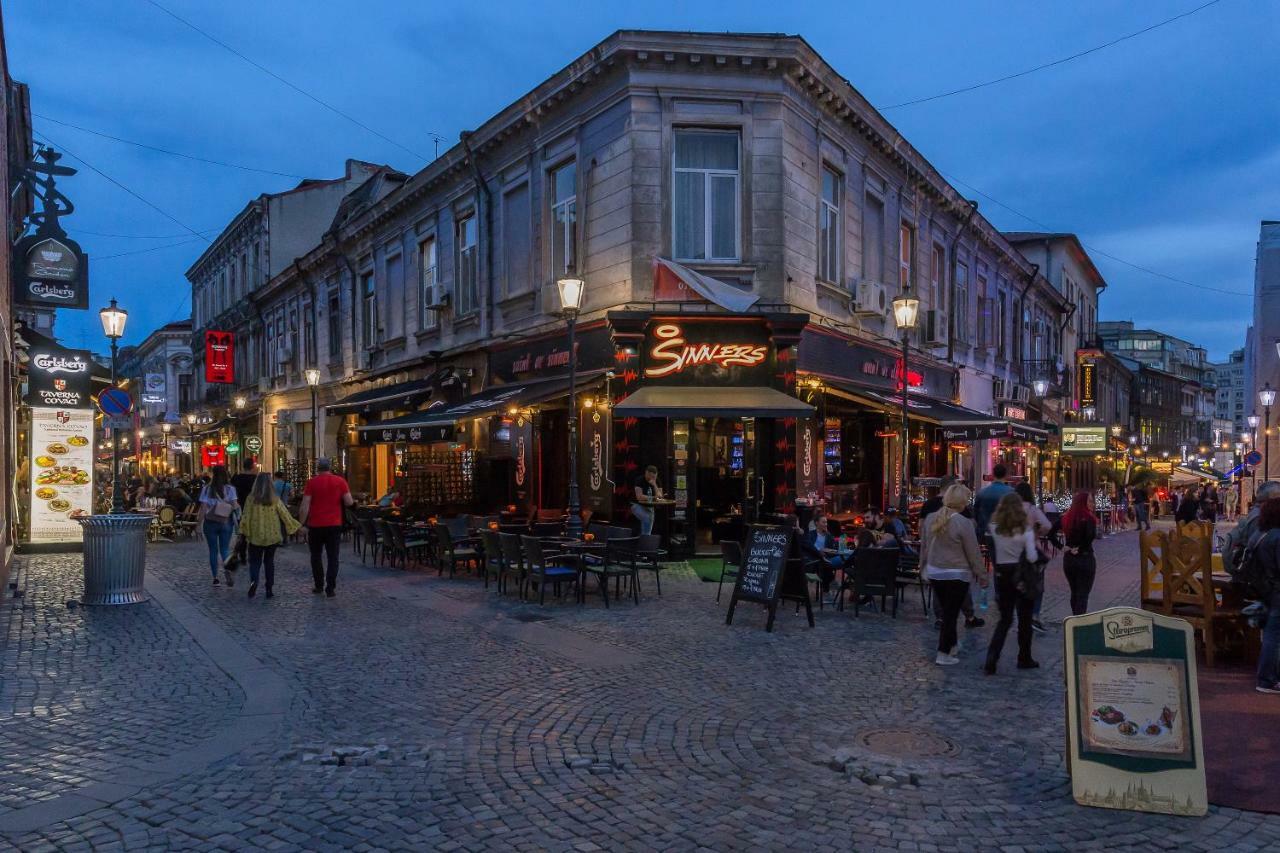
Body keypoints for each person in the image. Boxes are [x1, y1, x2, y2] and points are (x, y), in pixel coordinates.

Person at [920, 483, 987, 666]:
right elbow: (973, 552)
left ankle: (952, 644)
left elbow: (924, 546)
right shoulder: (964, 523)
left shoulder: (931, 518)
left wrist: (922, 566)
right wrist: (982, 574)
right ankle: (943, 652)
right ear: (962, 502)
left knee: (948, 611)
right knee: (951, 614)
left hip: (935, 571)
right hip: (957, 573)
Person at [985, 492, 1041, 673]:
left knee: (1005, 619)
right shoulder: (1025, 530)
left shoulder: (994, 527)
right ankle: (1024, 657)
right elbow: (1032, 557)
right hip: (1021, 576)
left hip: (1002, 574)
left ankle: (992, 656)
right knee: (1024, 619)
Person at [238, 471, 301, 599]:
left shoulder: (251, 498)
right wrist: (295, 527)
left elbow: (245, 516)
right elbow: (285, 515)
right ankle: (269, 588)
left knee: (255, 562)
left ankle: (254, 582)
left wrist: (243, 532)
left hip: (256, 536)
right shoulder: (274, 498)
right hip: (272, 535)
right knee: (269, 562)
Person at [300, 458, 354, 597]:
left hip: (315, 525)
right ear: (330, 468)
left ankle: (318, 585)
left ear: (318, 468)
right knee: (333, 557)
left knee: (316, 556)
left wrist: (302, 524)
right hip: (334, 524)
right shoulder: (340, 481)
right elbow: (348, 502)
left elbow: (305, 505)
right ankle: (330, 587)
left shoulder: (312, 482)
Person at [1248, 497, 1280, 694]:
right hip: (1277, 590)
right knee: (1274, 634)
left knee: (1272, 632)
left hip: (1265, 589)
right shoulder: (1277, 537)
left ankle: (1268, 677)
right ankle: (1267, 679)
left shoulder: (1260, 534)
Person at [1015, 482, 1052, 634]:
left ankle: (1021, 615)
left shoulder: (1012, 509)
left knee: (1019, 582)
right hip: (1031, 549)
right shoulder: (1032, 509)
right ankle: (1034, 614)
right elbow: (1047, 525)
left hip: (1015, 550)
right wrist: (1038, 532)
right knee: (1037, 582)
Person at [196, 465, 238, 586]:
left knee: (213, 550)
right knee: (225, 549)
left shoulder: (207, 489)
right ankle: (227, 569)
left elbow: (203, 508)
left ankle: (215, 578)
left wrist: (199, 524)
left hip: (210, 522)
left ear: (213, 474)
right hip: (226, 521)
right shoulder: (230, 489)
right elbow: (235, 506)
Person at [1061, 490, 1099, 615]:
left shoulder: (1067, 517)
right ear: (1083, 502)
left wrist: (1063, 547)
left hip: (1069, 560)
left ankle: (1074, 619)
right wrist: (1080, 548)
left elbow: (1050, 533)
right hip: (1085, 559)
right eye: (1089, 501)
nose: (1092, 503)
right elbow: (1089, 537)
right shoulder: (1089, 519)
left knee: (1075, 592)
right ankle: (1078, 623)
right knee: (1083, 594)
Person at [228, 458, 259, 567]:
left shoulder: (236, 478)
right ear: (252, 466)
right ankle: (252, 555)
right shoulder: (256, 479)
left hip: (239, 508)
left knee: (242, 534)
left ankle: (242, 556)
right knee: (254, 533)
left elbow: (230, 492)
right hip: (254, 509)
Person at [973, 464, 1014, 541]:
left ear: (993, 474)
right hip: (1005, 533)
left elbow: (976, 513)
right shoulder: (1011, 492)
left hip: (985, 532)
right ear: (1005, 475)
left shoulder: (982, 492)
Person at [631, 465, 662, 536]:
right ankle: (645, 538)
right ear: (646, 473)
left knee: (649, 519)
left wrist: (654, 485)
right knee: (647, 518)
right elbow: (639, 497)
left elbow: (660, 496)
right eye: (651, 476)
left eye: (654, 477)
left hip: (650, 507)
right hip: (637, 505)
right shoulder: (640, 480)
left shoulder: (656, 481)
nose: (652, 478)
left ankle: (645, 538)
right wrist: (654, 497)